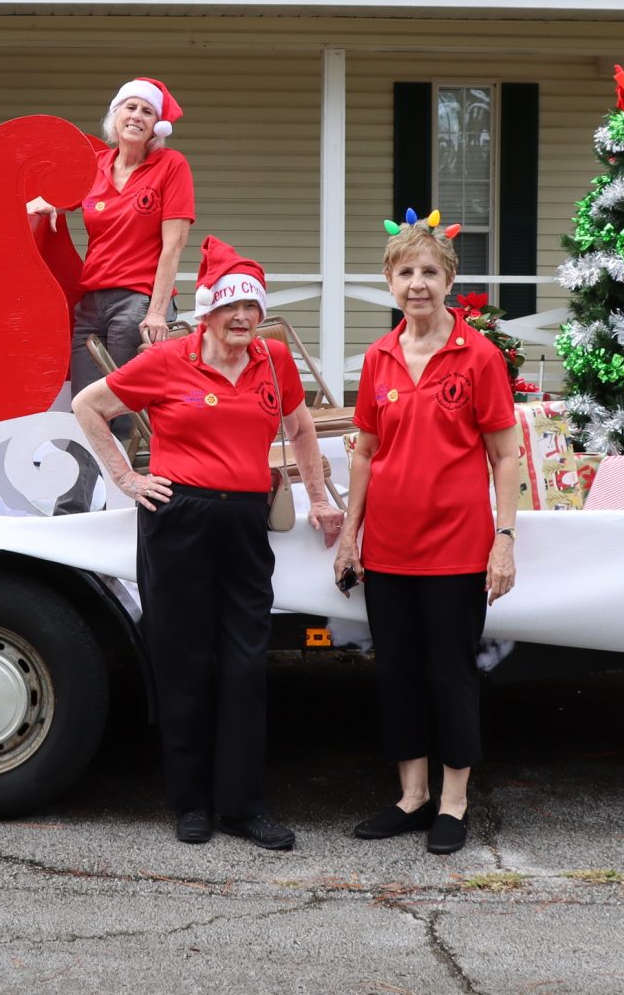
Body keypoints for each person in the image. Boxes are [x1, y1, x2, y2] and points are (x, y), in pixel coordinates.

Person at [73, 237, 344, 851]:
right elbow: (89, 405)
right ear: (207, 311)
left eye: (251, 305)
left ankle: (244, 806)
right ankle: (190, 803)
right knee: (183, 660)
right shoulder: (168, 359)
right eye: (230, 306)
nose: (244, 317)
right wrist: (126, 477)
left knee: (247, 663)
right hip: (179, 519)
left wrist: (320, 496)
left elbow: (300, 429)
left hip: (246, 519)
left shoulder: (273, 360)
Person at [333, 214, 521, 856]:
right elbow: (363, 452)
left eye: (429, 273)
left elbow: (505, 455)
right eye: (406, 272)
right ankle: (410, 798)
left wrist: (504, 538)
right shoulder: (379, 359)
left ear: (450, 281)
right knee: (398, 675)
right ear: (390, 282)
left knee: (451, 675)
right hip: (388, 548)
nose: (418, 284)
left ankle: (455, 802)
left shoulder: (479, 357)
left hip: (456, 549)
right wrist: (348, 535)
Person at [34, 78, 196, 512]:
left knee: (119, 411)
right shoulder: (96, 167)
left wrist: (157, 311)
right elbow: (64, 198)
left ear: (158, 126)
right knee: (83, 408)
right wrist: (47, 205)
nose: (137, 117)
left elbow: (174, 244)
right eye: (130, 108)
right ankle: (76, 512)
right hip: (90, 304)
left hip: (138, 301)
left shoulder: (171, 166)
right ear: (114, 117)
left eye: (147, 111)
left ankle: (119, 509)